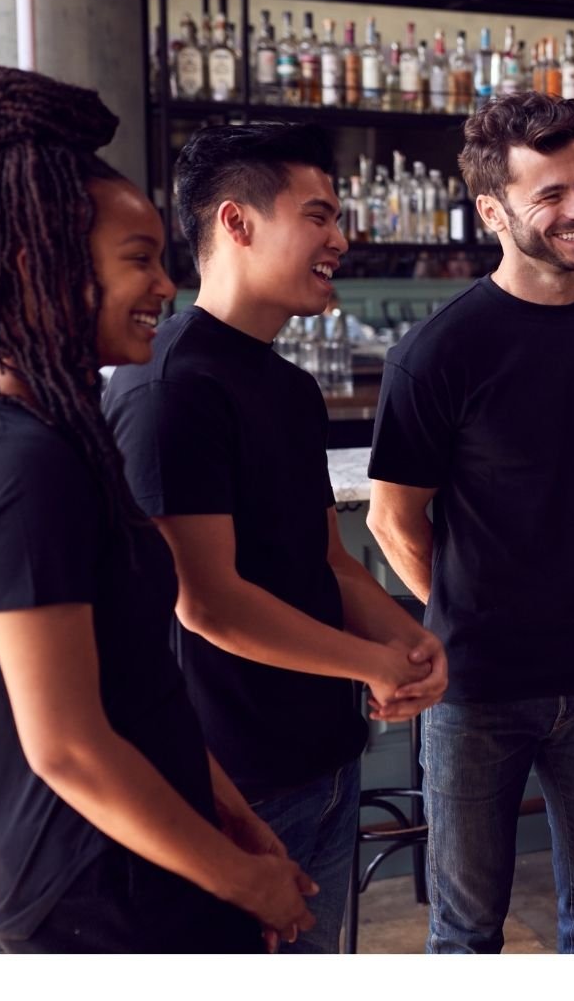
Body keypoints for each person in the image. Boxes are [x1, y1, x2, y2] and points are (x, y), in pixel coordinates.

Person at [0, 67, 317, 952]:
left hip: (148, 866)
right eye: (138, 260)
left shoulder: (57, 431)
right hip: (93, 895)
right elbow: (68, 747)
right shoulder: (16, 461)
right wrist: (240, 877)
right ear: (39, 263)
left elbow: (140, 686)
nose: (166, 287)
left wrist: (237, 823)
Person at [105, 122, 447, 954]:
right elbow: (207, 605)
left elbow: (325, 562)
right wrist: (369, 664)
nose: (341, 238)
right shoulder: (171, 388)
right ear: (237, 222)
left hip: (323, 757)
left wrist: (412, 638)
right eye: (319, 216)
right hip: (230, 781)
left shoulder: (290, 388)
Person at [366, 93, 574, 954]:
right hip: (478, 686)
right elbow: (392, 522)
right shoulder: (438, 351)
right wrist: (472, 607)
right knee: (465, 932)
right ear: (493, 211)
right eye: (550, 195)